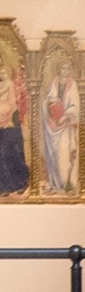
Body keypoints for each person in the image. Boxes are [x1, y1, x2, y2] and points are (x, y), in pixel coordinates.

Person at [42, 58, 80, 196]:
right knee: (53, 155)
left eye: (67, 68)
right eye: (62, 68)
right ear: (58, 70)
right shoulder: (55, 82)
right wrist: (50, 103)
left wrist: (66, 115)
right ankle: (54, 185)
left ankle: (66, 184)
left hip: (66, 126)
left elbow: (75, 105)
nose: (65, 71)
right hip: (53, 124)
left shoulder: (72, 84)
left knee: (63, 156)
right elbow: (48, 100)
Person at [0, 60, 29, 197]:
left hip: (10, 124)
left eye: (4, 73)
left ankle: (21, 182)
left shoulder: (10, 85)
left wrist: (7, 118)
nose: (2, 74)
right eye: (1, 73)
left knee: (11, 153)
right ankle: (5, 186)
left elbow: (13, 105)